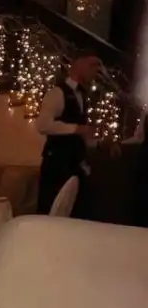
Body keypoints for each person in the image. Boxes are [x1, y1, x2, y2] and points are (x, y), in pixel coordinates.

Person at [35, 51, 102, 217]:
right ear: (78, 64)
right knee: (52, 214)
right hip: (57, 165)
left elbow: (80, 135)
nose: (96, 70)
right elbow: (42, 125)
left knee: (79, 215)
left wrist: (99, 143)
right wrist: (76, 129)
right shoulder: (57, 93)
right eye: (92, 65)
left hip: (75, 165)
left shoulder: (83, 96)